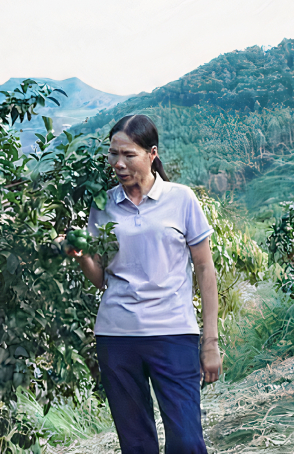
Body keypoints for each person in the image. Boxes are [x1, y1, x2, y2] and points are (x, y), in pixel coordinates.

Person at [67, 114, 220, 454]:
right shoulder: (103, 206)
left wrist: (210, 341)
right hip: (117, 337)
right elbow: (100, 277)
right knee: (136, 444)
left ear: (151, 154)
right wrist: (80, 254)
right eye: (113, 155)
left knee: (186, 441)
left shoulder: (181, 199)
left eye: (128, 155)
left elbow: (205, 270)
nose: (118, 164)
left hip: (173, 334)